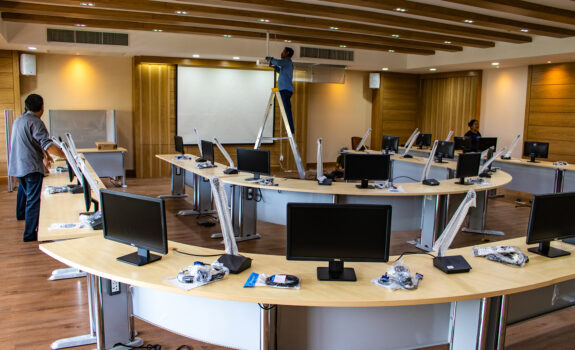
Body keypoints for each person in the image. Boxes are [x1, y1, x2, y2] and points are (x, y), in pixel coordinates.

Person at [9, 94, 66, 242]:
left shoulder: (19, 120)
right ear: (42, 107)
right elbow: (46, 143)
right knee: (34, 200)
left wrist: (45, 156)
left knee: (26, 192)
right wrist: (67, 156)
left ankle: (21, 214)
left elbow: (32, 141)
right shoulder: (36, 122)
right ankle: (29, 234)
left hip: (17, 165)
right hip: (30, 167)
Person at [267, 47, 295, 134]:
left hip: (285, 90)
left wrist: (271, 59)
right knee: (287, 109)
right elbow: (281, 71)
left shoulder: (287, 61)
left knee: (286, 110)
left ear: (287, 53)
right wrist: (275, 68)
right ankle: (290, 128)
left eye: (283, 52)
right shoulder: (287, 64)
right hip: (286, 89)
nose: (281, 53)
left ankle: (290, 129)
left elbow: (278, 62)